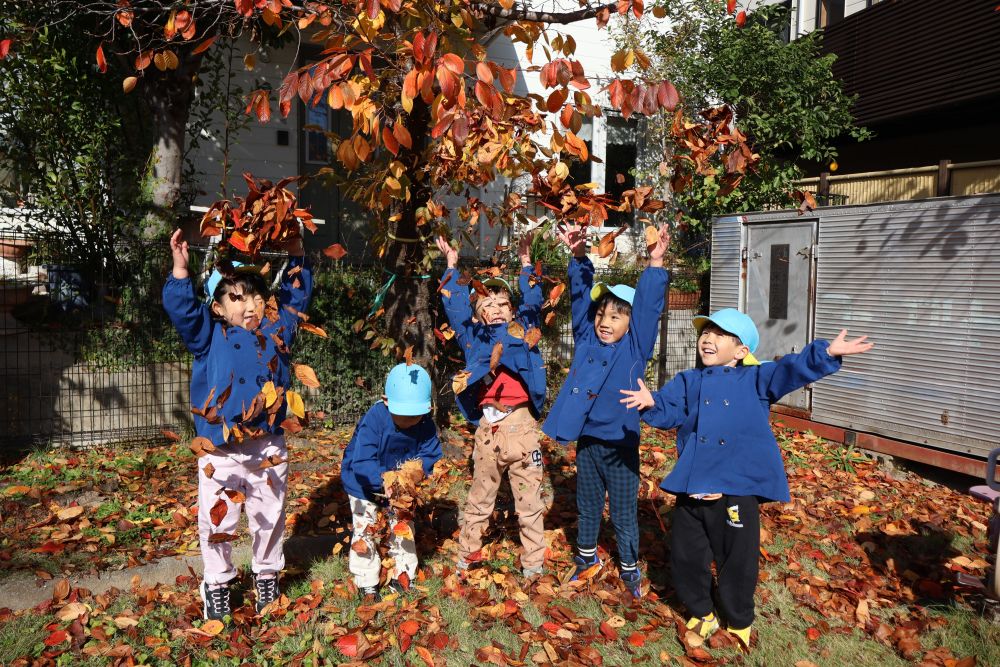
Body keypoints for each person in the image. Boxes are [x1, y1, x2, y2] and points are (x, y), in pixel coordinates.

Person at [620, 309, 873, 647]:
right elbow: (669, 412)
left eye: (720, 335)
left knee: (737, 559)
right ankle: (701, 610)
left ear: (740, 352)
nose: (708, 338)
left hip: (736, 489)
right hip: (693, 486)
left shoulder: (756, 380)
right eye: (706, 332)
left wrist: (824, 354)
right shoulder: (688, 380)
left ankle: (738, 617)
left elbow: (790, 370)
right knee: (685, 555)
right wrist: (650, 401)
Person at [163, 229, 312, 621]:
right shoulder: (208, 335)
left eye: (257, 296)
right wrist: (181, 272)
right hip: (221, 449)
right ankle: (217, 583)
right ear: (216, 307)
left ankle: (266, 577)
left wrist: (296, 256)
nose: (250, 305)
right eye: (237, 297)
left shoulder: (277, 331)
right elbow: (183, 312)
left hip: (267, 446)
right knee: (218, 519)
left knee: (270, 514)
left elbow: (297, 299)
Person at [543, 223, 671, 599]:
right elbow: (580, 299)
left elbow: (648, 308)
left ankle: (629, 566)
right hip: (589, 444)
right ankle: (586, 559)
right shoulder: (586, 340)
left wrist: (656, 262)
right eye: (603, 315)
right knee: (586, 505)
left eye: (616, 316)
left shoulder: (634, 349)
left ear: (630, 325)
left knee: (623, 512)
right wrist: (580, 258)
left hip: (620, 445)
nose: (604, 322)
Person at [435, 233, 548, 578]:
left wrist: (527, 263)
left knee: (529, 500)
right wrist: (452, 266)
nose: (496, 309)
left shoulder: (523, 331)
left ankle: (533, 562)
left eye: (501, 303)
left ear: (511, 310)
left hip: (522, 429)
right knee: (480, 496)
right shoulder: (474, 338)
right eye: (487, 305)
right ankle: (468, 554)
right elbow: (454, 307)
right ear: (479, 315)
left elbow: (533, 301)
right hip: (488, 431)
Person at [341, 363, 442, 601]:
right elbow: (362, 461)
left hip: (399, 486)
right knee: (365, 529)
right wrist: (382, 481)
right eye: (403, 415)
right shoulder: (375, 419)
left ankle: (404, 574)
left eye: (415, 415)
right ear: (386, 401)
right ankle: (367, 581)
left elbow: (430, 455)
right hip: (363, 483)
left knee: (403, 526)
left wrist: (415, 474)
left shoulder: (425, 423)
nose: (409, 421)